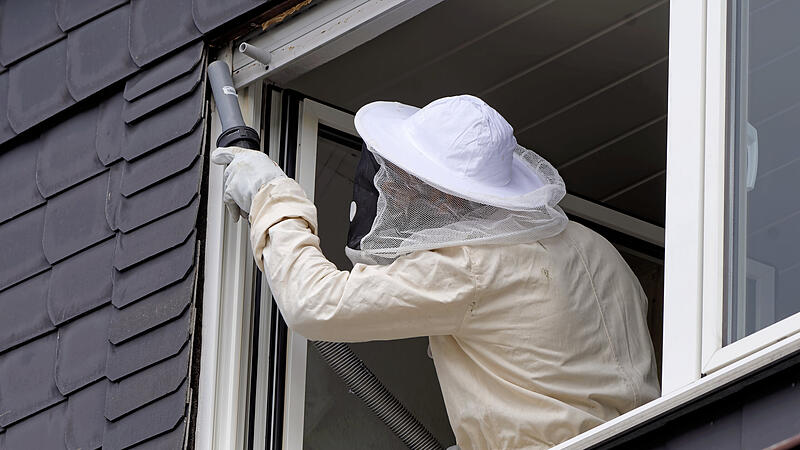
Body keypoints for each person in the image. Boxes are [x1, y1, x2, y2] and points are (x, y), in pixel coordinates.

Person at [211, 94, 660, 449]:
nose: (399, 194)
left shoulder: (471, 266)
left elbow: (314, 303)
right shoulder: (596, 248)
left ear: (445, 197)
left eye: (411, 183)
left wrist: (270, 194)